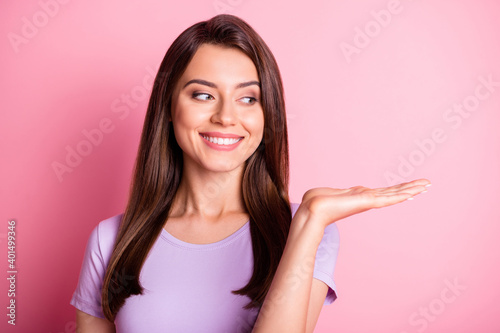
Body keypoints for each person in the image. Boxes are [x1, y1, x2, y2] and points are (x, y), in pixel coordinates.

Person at [70, 14, 430, 333]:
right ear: (168, 106)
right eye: (202, 95)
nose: (226, 117)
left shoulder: (305, 230)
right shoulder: (111, 240)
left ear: (266, 114)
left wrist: (309, 221)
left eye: (248, 99)